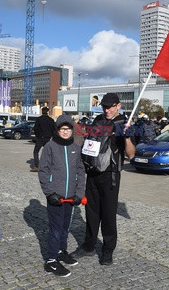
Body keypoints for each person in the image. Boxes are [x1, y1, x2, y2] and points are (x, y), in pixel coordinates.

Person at [73, 93, 135, 265]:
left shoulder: (124, 124)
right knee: (91, 213)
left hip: (111, 176)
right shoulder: (98, 120)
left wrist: (128, 137)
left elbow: (131, 154)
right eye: (104, 106)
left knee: (108, 214)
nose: (107, 110)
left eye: (110, 106)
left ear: (118, 106)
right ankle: (89, 245)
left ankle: (108, 250)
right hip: (92, 173)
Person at [38, 115, 86, 277]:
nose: (66, 132)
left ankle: (60, 251)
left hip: (70, 196)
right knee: (56, 229)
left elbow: (80, 171)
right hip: (55, 196)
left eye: (68, 128)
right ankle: (51, 260)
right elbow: (43, 171)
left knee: (65, 227)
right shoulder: (50, 146)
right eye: (62, 129)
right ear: (57, 130)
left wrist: (79, 193)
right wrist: (50, 193)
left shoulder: (75, 147)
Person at [30, 106, 56, 172]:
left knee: (36, 152)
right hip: (48, 138)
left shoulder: (39, 119)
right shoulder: (51, 120)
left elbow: (35, 128)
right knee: (48, 153)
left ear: (42, 111)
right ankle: (49, 166)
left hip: (40, 138)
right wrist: (51, 136)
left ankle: (37, 166)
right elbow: (54, 129)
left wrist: (38, 135)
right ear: (47, 112)